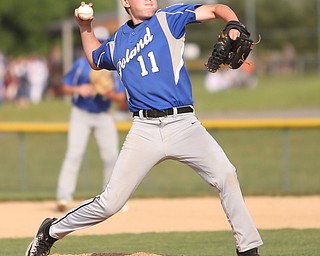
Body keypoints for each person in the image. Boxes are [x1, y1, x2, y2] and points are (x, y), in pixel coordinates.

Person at [26, 1, 263, 256]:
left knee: (226, 174)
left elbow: (216, 9)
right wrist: (86, 27)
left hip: (184, 124)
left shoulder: (168, 19)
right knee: (110, 203)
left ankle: (248, 249)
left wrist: (234, 23)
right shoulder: (118, 42)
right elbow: (96, 58)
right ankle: (49, 232)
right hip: (144, 130)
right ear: (126, 2)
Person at [55, 26, 127, 212]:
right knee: (74, 154)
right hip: (81, 114)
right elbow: (64, 87)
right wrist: (78, 90)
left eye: (103, 41)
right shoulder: (81, 64)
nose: (100, 44)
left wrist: (108, 92)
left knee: (111, 156)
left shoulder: (112, 67)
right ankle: (63, 198)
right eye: (98, 40)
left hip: (103, 115)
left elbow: (121, 100)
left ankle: (113, 200)